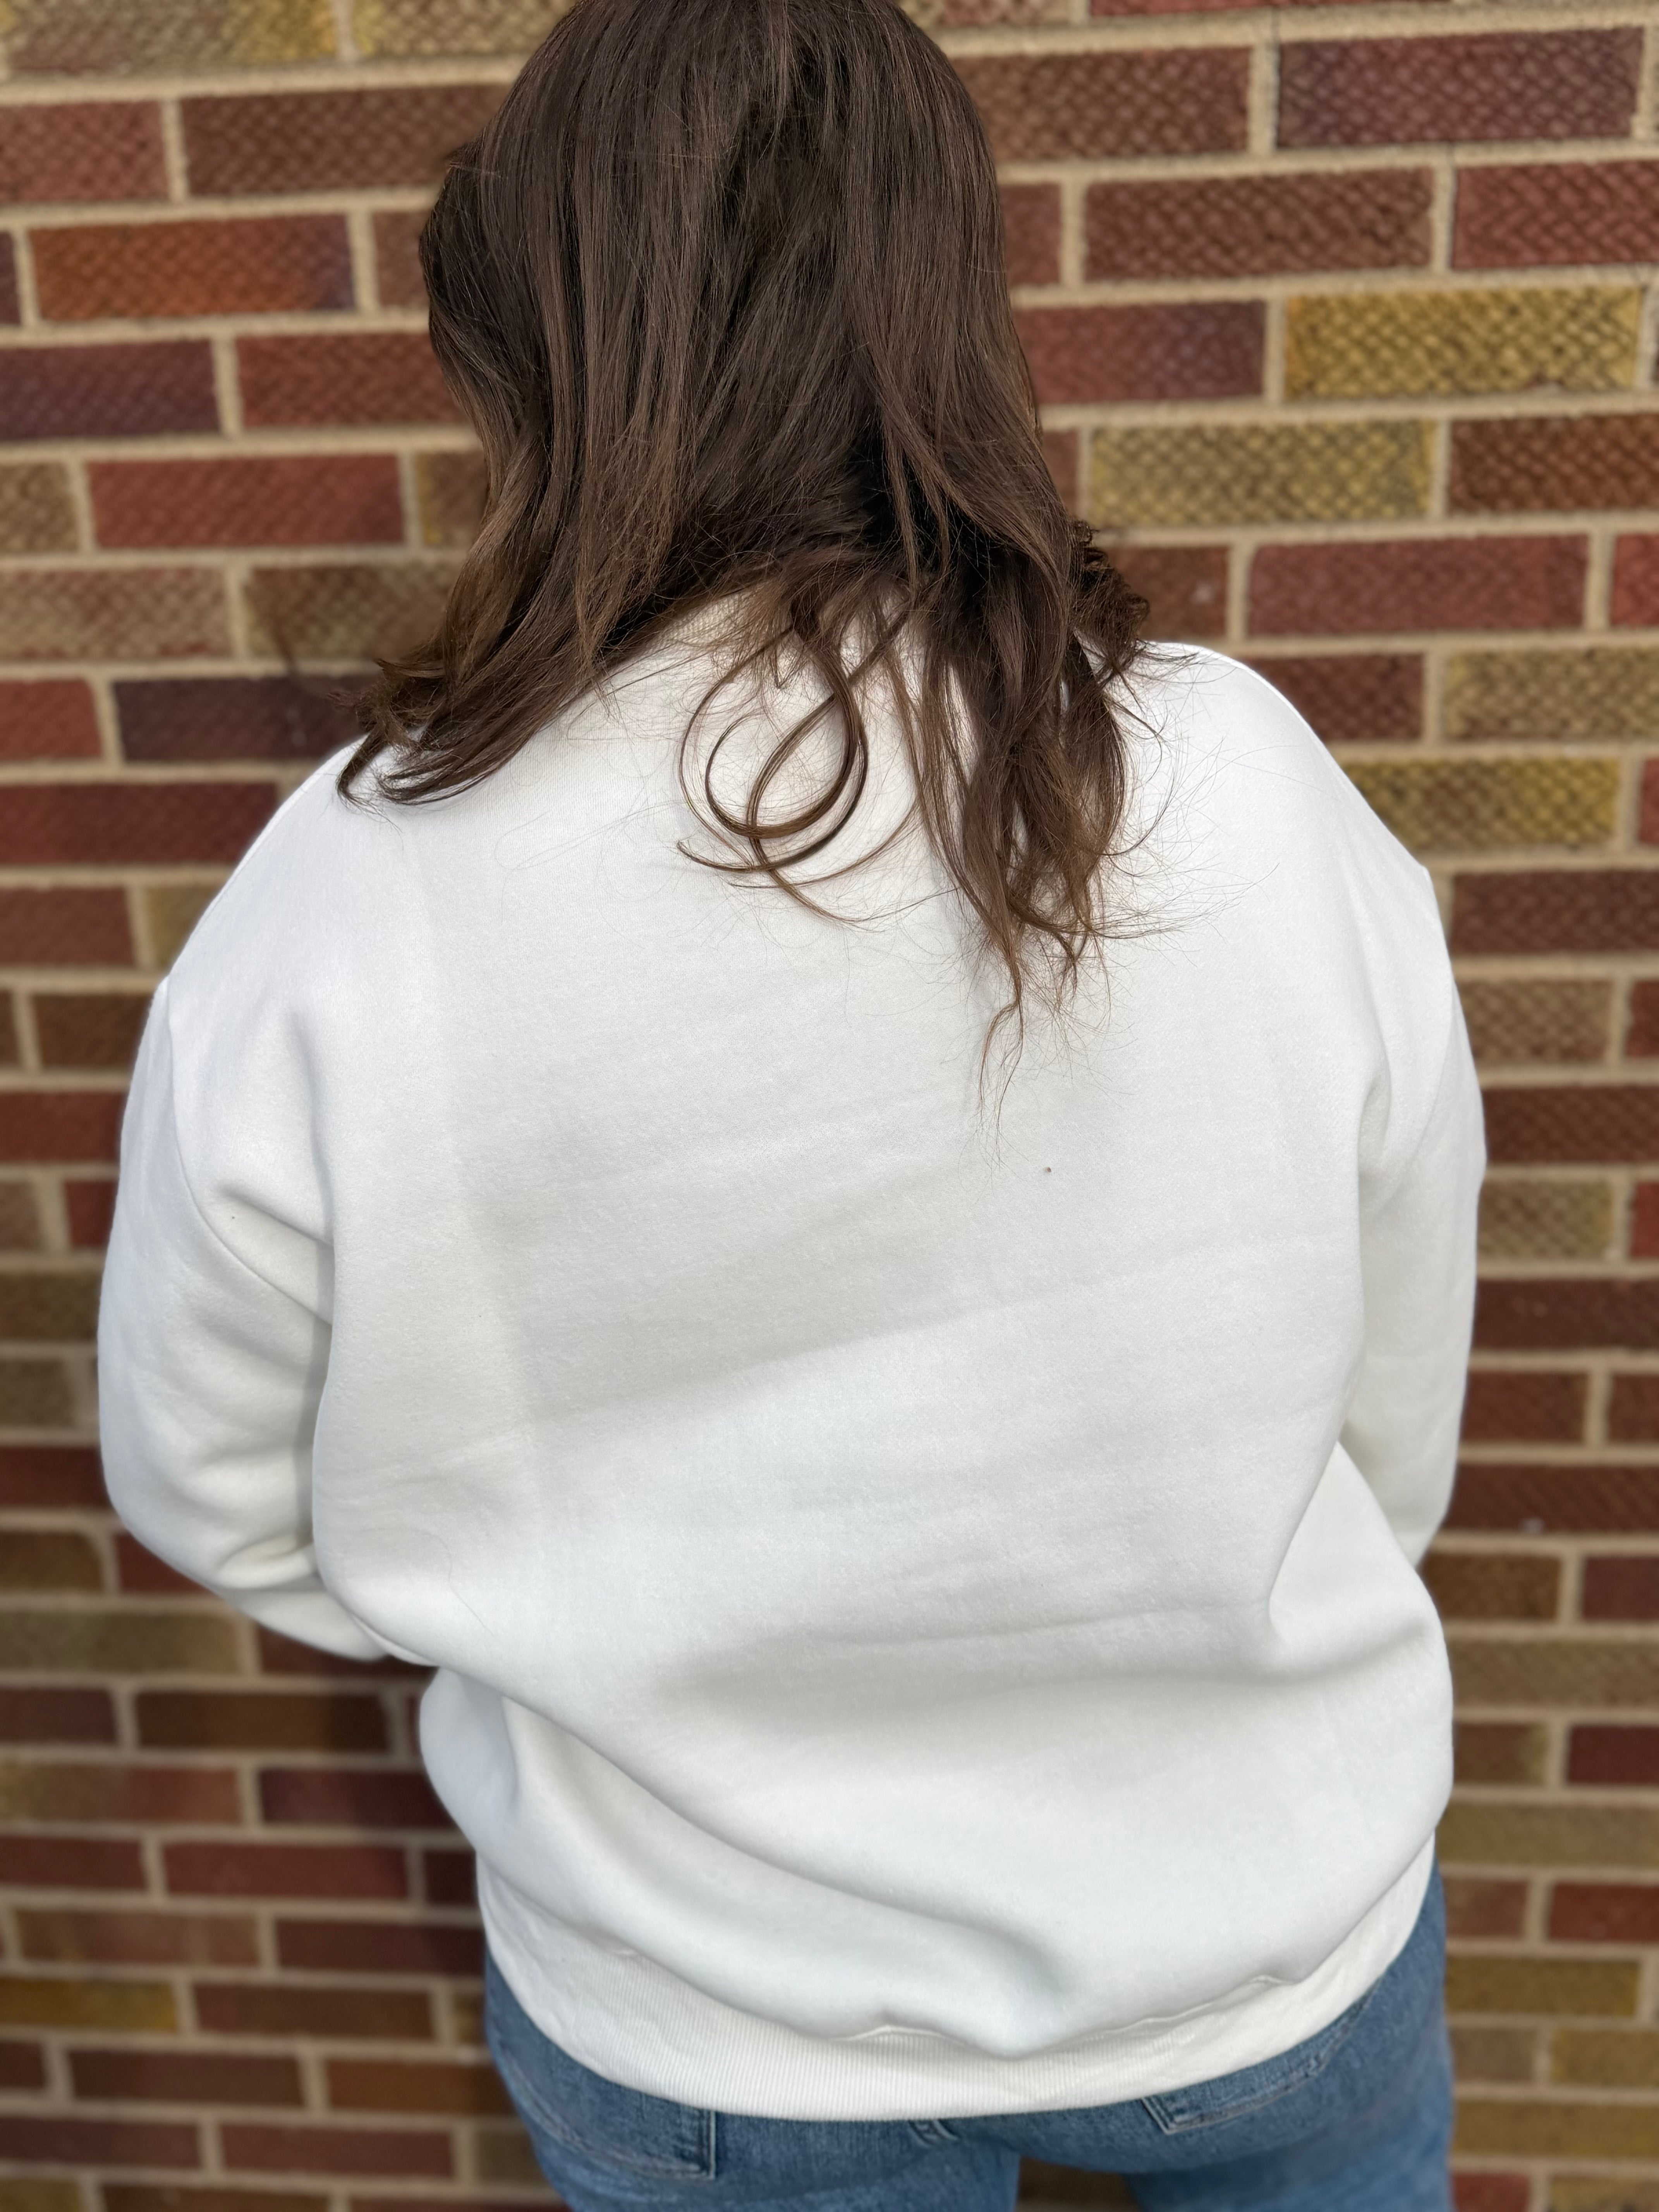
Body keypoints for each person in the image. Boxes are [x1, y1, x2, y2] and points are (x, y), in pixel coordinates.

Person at [96, 2, 1485, 2207]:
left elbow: (214, 1488)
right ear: (950, 309)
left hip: (714, 2005)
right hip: (1266, 1934)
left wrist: (575, 1607)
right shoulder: (1241, 784)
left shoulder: (357, 892)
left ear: (541, 340)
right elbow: (1394, 1395)